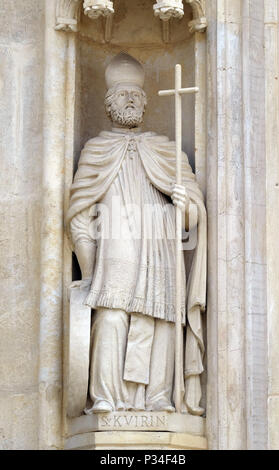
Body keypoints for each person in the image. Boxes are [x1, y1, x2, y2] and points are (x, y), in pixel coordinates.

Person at [66, 52, 207, 415]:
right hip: (115, 249)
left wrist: (183, 202)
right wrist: (88, 267)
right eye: (123, 95)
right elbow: (79, 213)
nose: (130, 100)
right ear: (109, 104)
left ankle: (158, 397)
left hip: (159, 248)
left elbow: (192, 216)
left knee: (160, 321)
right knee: (112, 318)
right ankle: (106, 397)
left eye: (136, 95)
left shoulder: (166, 150)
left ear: (145, 103)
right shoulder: (96, 149)